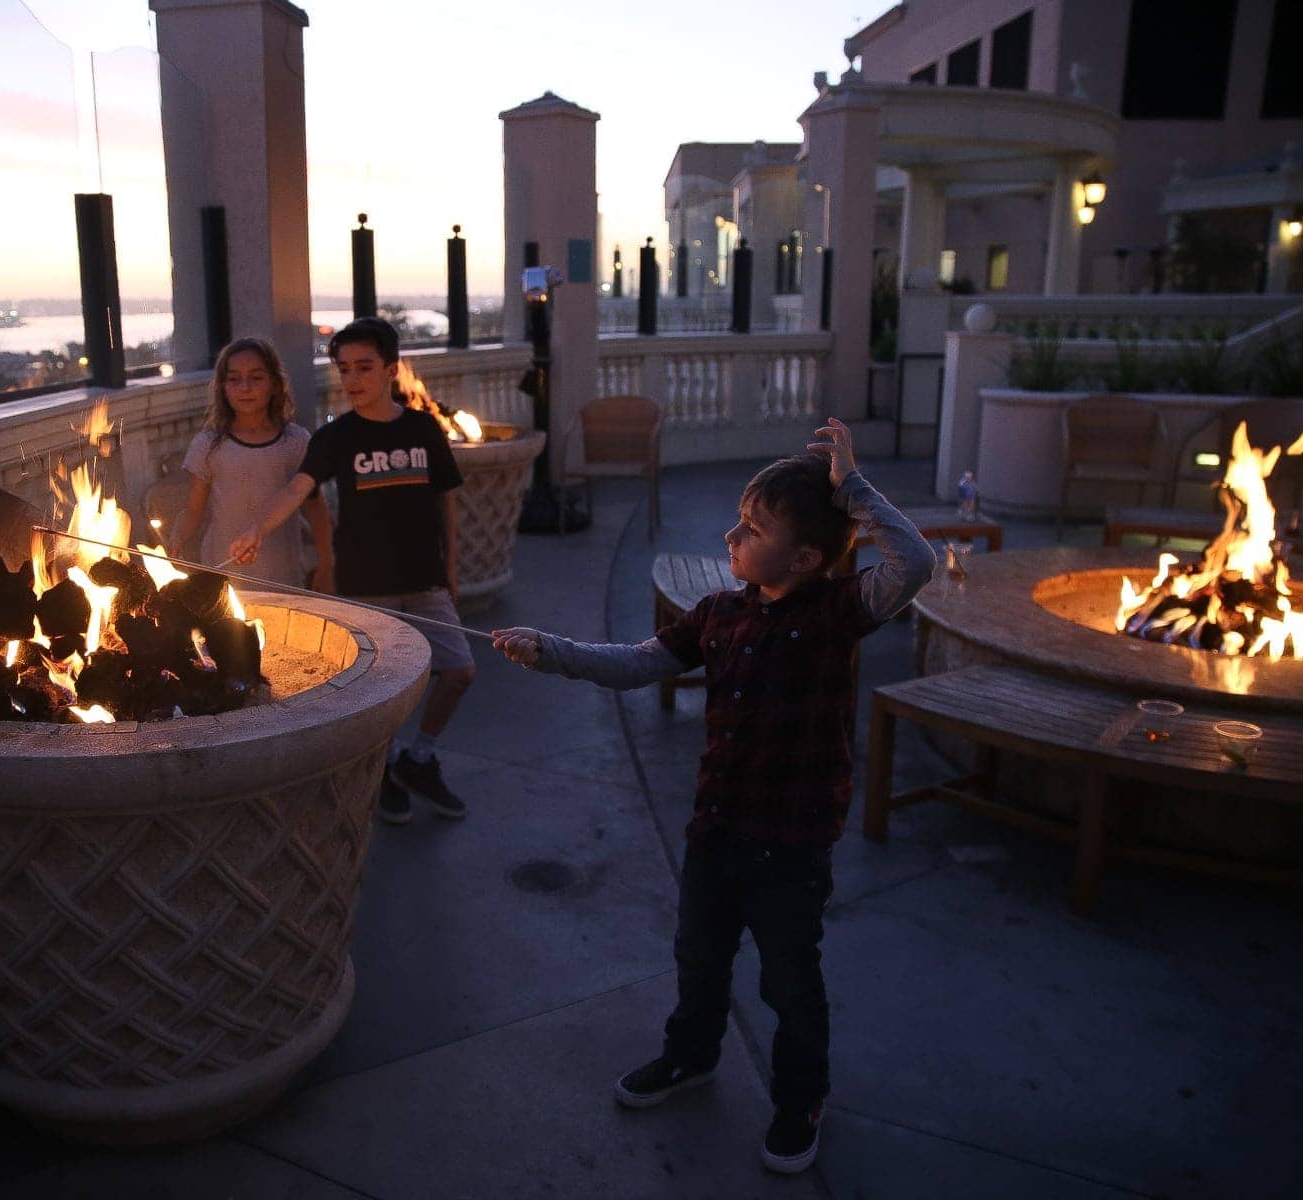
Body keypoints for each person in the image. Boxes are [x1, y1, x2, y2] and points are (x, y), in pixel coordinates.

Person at [492, 419, 934, 1174]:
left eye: (753, 527)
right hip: (717, 828)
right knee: (699, 958)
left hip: (791, 845)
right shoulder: (720, 615)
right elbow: (636, 663)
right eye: (737, 517)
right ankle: (691, 1056)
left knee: (789, 981)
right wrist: (555, 652)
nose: (732, 534)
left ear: (803, 557)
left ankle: (800, 1099)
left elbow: (915, 562)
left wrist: (853, 492)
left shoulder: (836, 613)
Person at [230, 317, 475, 824]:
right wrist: (258, 529)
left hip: (424, 578)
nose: (354, 379)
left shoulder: (423, 427)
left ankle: (419, 758)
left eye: (365, 367)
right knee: (380, 690)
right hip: (367, 587)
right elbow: (298, 490)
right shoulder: (336, 437)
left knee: (459, 673)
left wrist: (451, 570)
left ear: (391, 369)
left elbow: (445, 503)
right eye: (345, 370)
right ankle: (384, 770)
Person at [173, 337, 332, 590]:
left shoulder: (296, 441)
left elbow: (315, 507)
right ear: (223, 387)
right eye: (234, 379)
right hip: (224, 573)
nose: (245, 387)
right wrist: (174, 542)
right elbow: (194, 510)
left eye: (256, 377)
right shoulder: (209, 444)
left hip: (284, 574)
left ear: (274, 384)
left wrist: (326, 562)